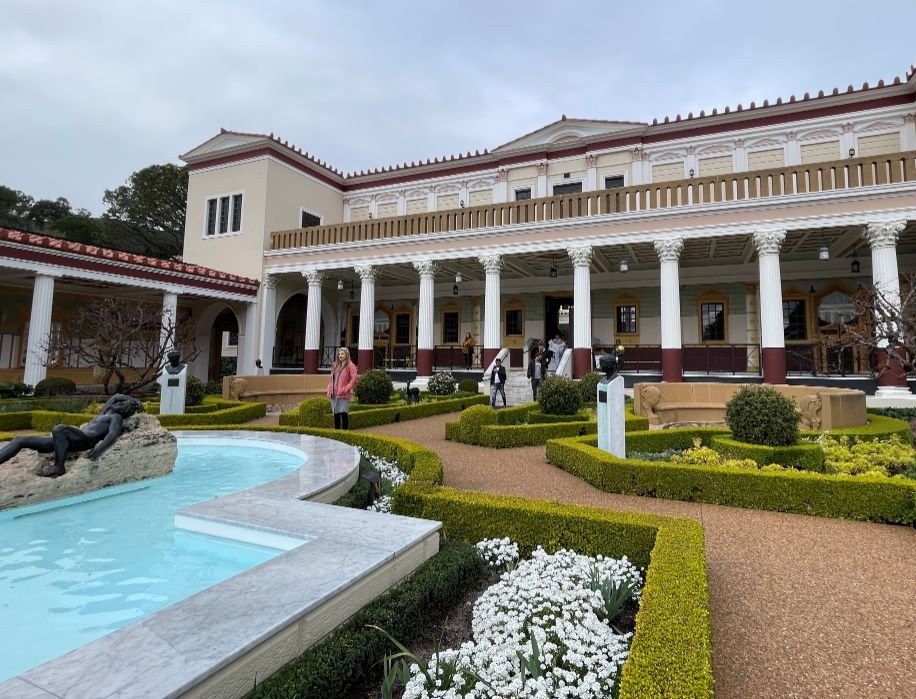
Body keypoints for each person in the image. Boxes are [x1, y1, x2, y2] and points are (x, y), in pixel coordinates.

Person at [0, 394, 143, 478]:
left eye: (123, 404)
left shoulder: (116, 418)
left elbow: (112, 434)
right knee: (20, 440)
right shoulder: (105, 413)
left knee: (59, 429)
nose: (119, 404)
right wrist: (136, 401)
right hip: (70, 439)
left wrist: (99, 449)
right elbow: (116, 396)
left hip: (85, 441)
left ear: (125, 410)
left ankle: (59, 467)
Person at [327, 347, 358, 429]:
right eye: (339, 354)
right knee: (336, 414)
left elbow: (354, 379)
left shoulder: (351, 366)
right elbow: (331, 379)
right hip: (334, 394)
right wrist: (329, 389)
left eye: (342, 354)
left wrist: (346, 389)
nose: (340, 355)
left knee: (343, 414)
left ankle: (344, 433)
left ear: (346, 355)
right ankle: (337, 433)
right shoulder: (335, 365)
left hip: (343, 394)